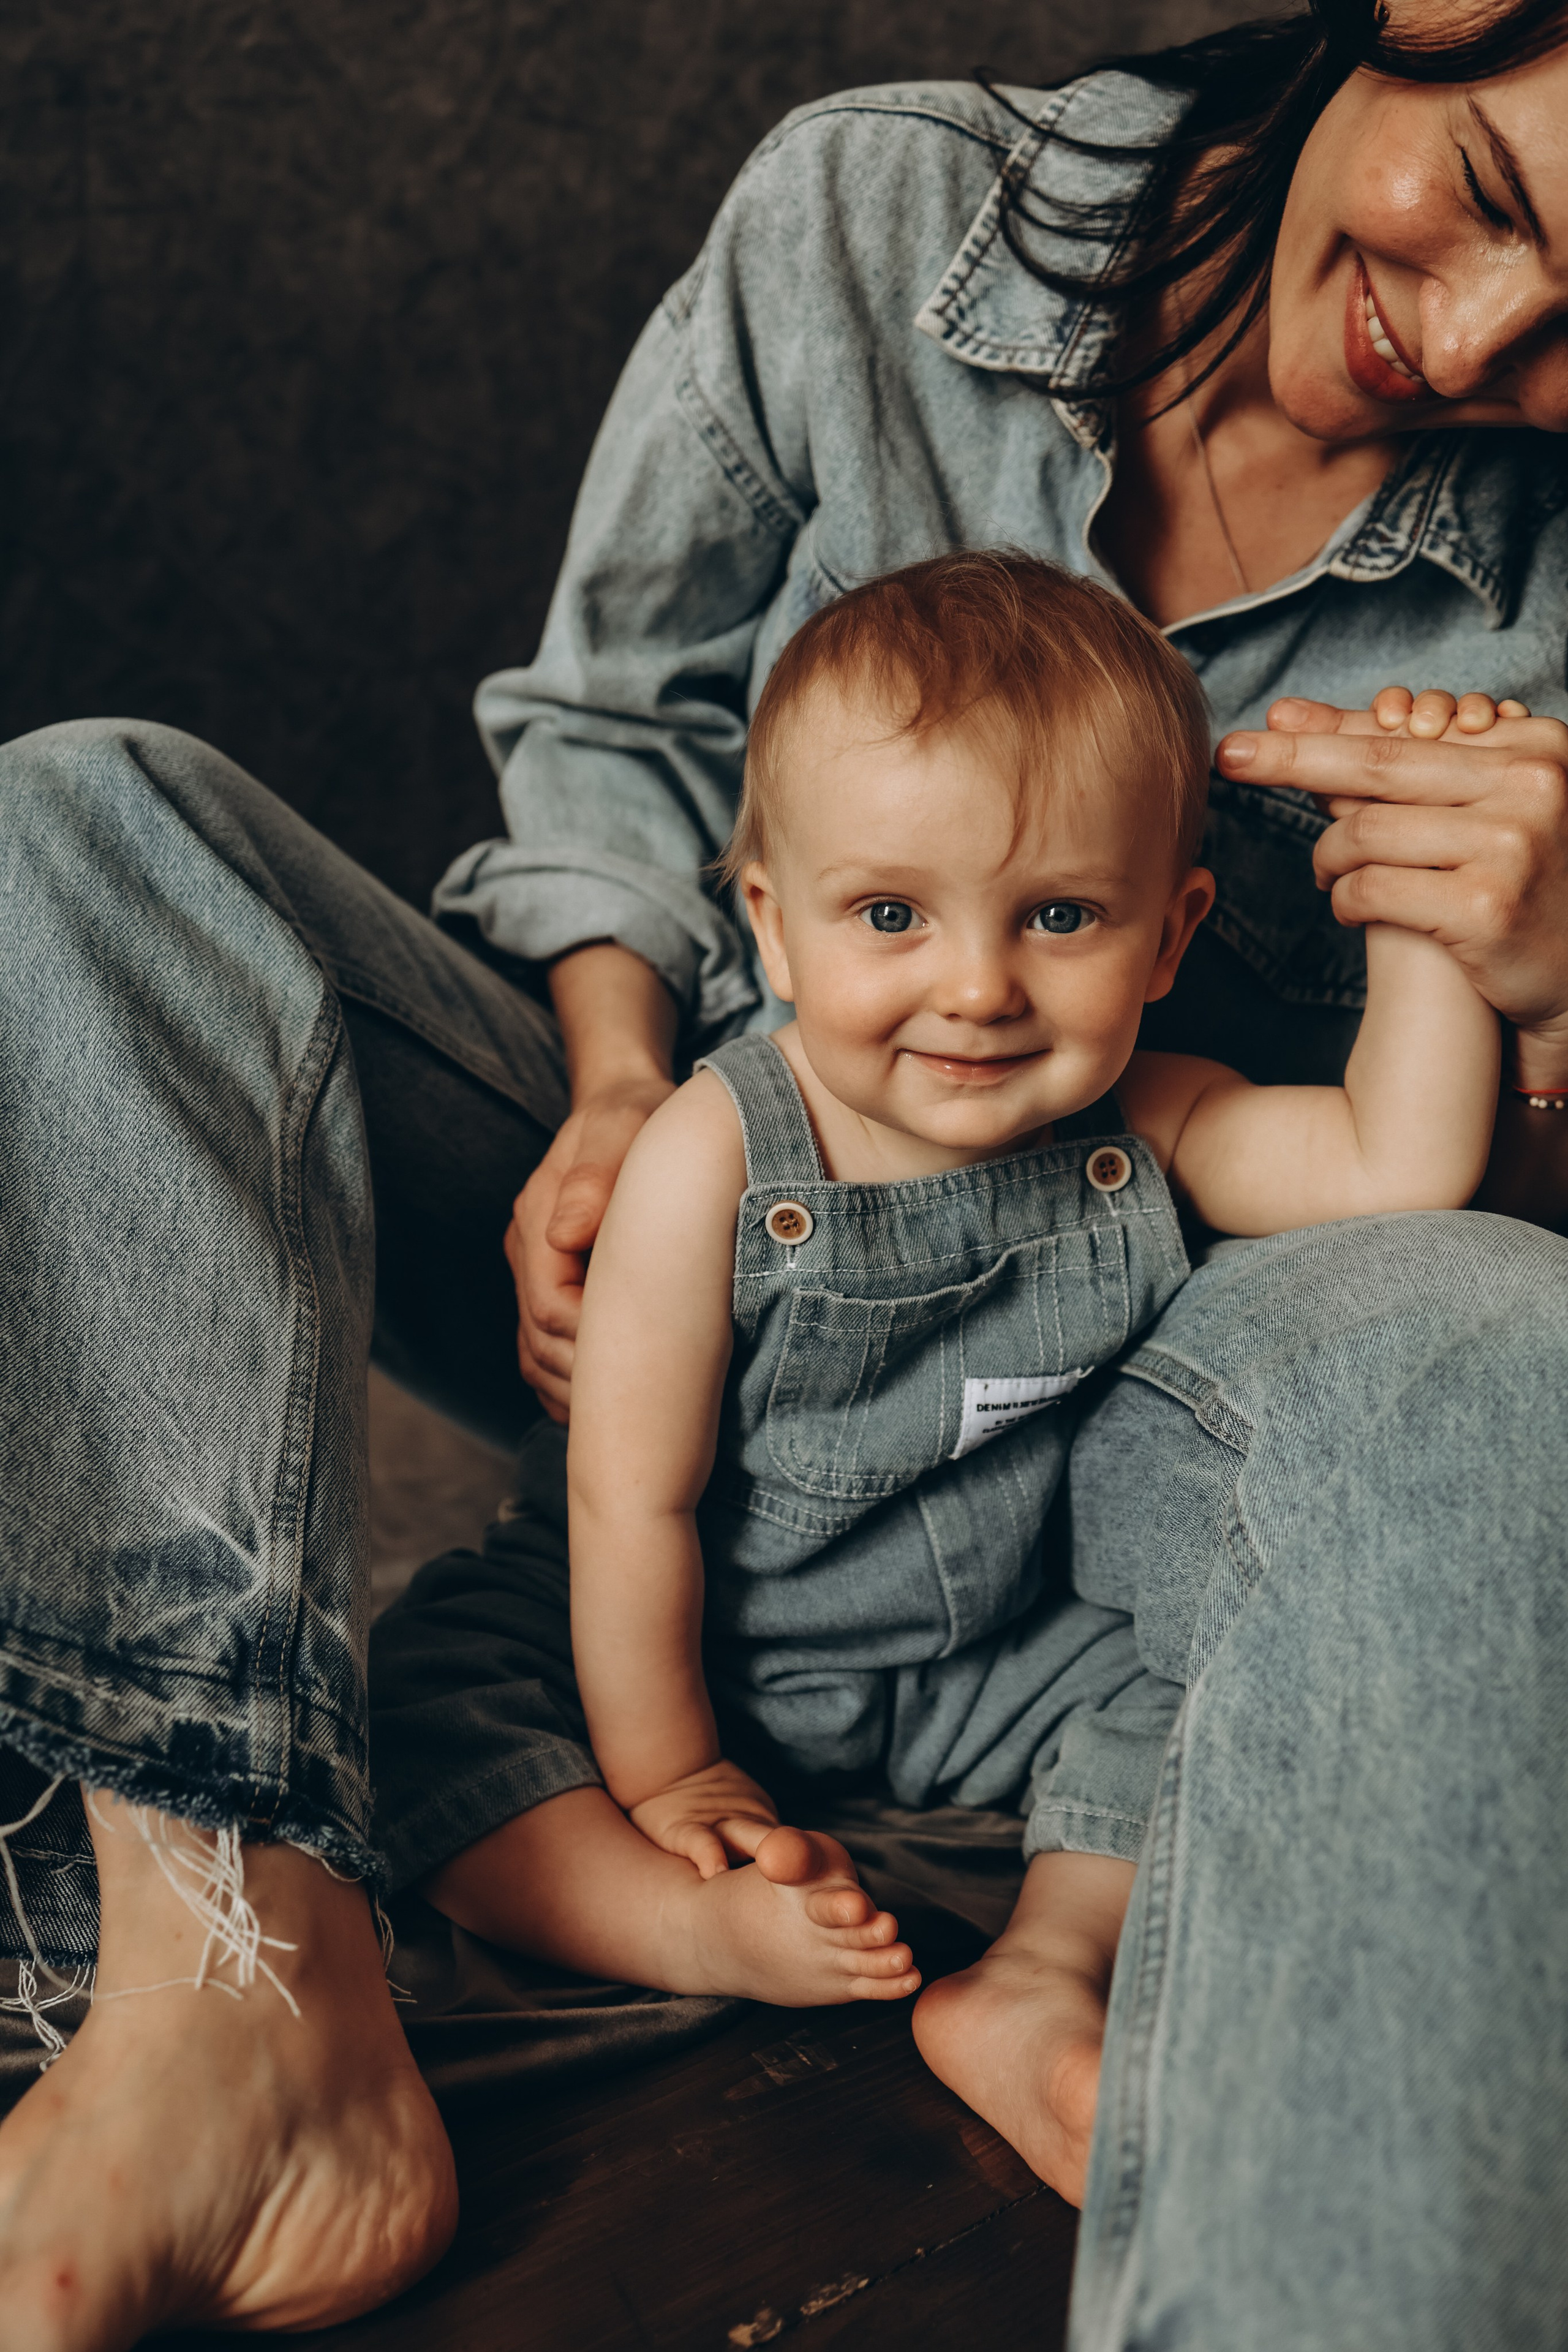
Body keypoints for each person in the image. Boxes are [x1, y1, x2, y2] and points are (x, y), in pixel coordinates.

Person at [5, 2, 1568, 2345]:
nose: (1472, 341)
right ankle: (229, 1955)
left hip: (1148, 1357)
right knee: (79, 813)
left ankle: (1081, 1999)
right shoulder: (883, 209)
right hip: (694, 1185)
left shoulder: (1164, 1083)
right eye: (1507, 203)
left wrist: (1522, 967)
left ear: (1164, 939)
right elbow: (616, 731)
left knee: (1486, 1356)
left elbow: (1407, 1173)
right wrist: (629, 1093)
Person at [477, 548, 1496, 2201]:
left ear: (1173, 936)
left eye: (1061, 917)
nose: (976, 986)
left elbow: (1394, 1165)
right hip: (687, 1641)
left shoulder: (1149, 1116)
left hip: (998, 1661)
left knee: (1213, 1698)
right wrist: (672, 1769)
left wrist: (1429, 918)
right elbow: (629, 1494)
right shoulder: (715, 1155)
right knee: (441, 1705)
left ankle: (1037, 1978)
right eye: (891, 914)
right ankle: (676, 1913)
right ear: (772, 924)